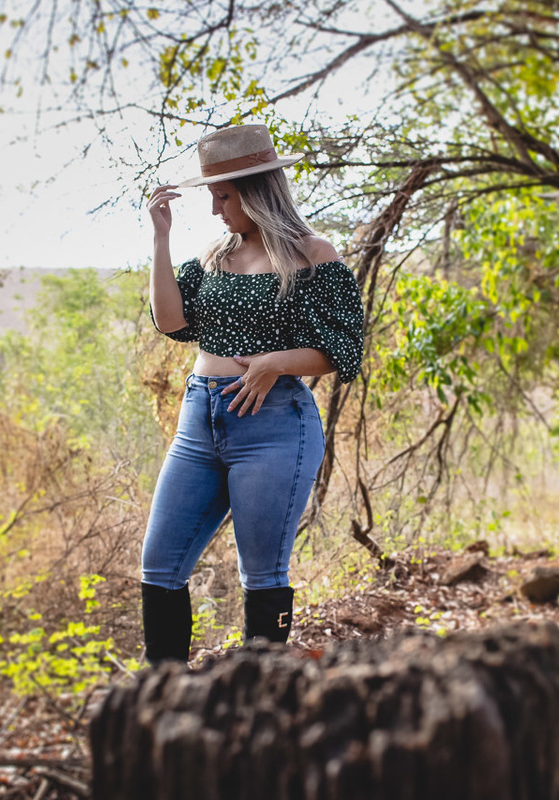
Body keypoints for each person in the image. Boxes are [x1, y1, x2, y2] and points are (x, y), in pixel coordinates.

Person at [141, 124, 365, 664]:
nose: (217, 210)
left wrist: (276, 363)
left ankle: (258, 698)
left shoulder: (313, 254)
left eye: (224, 196)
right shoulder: (217, 255)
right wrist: (161, 237)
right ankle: (166, 694)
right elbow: (170, 321)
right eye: (214, 197)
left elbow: (345, 348)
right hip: (199, 420)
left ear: (259, 190)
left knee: (261, 571)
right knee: (159, 566)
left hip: (273, 426)